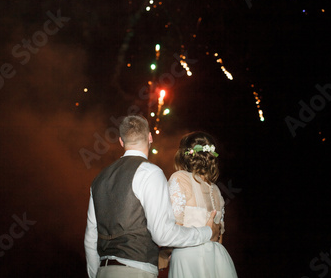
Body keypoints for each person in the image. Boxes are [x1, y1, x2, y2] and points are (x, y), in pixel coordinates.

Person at [84, 115, 220, 278]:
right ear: (150, 137)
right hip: (136, 272)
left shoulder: (99, 179)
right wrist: (206, 232)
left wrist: (95, 274)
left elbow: (90, 239)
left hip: (104, 271)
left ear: (121, 141)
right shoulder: (150, 173)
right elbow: (162, 235)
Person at [166, 131, 238, 278]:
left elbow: (173, 229)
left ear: (184, 155)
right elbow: (218, 238)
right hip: (218, 259)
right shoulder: (216, 190)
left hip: (189, 258)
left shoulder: (179, 178)